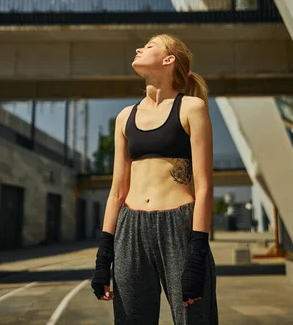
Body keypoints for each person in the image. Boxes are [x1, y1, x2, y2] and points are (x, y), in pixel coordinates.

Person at [91, 33, 219, 325]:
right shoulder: (125, 117)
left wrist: (197, 252)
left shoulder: (191, 108)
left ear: (168, 60)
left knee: (194, 319)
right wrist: (104, 256)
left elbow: (204, 186)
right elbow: (116, 191)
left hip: (179, 227)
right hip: (130, 227)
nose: (139, 48)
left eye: (149, 46)